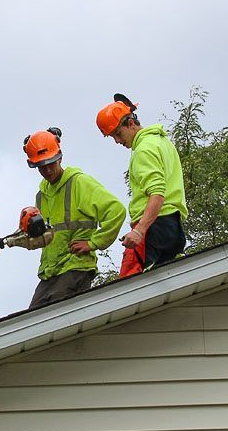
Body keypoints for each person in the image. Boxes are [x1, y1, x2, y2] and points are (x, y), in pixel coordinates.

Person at [24, 127, 125, 308]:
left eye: (50, 163)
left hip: (75, 267)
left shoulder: (79, 183)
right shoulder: (41, 195)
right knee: (30, 323)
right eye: (41, 166)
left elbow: (116, 210)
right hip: (50, 272)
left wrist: (93, 243)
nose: (47, 170)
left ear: (60, 157)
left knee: (55, 323)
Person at [96, 94, 187, 277]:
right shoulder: (162, 142)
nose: (117, 141)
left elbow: (157, 193)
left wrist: (139, 230)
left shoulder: (143, 150)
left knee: (129, 288)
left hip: (154, 227)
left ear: (131, 123)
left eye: (118, 134)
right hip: (173, 227)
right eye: (112, 137)